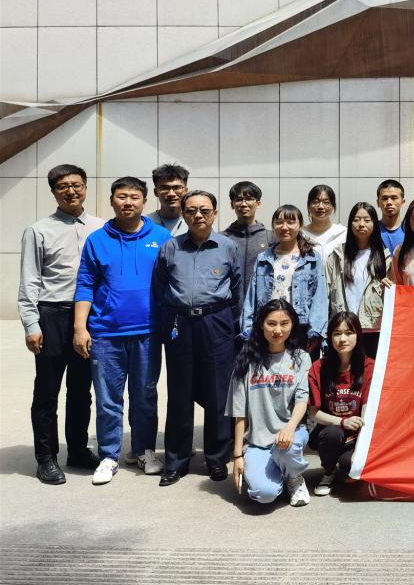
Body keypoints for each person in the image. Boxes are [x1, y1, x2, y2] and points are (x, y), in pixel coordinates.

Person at [73, 177, 172, 485]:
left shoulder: (162, 236)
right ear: (112, 201)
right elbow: (85, 284)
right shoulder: (97, 240)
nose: (128, 202)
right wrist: (80, 327)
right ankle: (109, 455)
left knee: (145, 396)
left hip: (148, 332)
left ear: (144, 202)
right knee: (107, 400)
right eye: (121, 197)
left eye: (134, 197)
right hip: (105, 333)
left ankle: (143, 450)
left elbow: (172, 282)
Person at [19, 164, 104, 484]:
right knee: (47, 391)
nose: (71, 191)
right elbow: (29, 280)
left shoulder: (100, 227)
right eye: (63, 187)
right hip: (52, 314)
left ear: (85, 187)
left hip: (89, 317)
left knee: (82, 390)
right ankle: (46, 457)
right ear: (54, 192)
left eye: (77, 185)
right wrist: (31, 324)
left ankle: (78, 450)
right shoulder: (38, 230)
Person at [153, 190, 242, 487]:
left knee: (218, 393)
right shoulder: (171, 247)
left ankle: (217, 458)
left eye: (204, 210)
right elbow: (159, 288)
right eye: (191, 210)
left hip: (217, 322)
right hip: (179, 322)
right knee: (180, 393)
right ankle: (176, 461)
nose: (198, 215)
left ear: (215, 213)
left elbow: (238, 290)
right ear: (183, 214)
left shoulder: (228, 247)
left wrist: (232, 326)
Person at [228, 299, 312, 507]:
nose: (278, 330)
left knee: (287, 448)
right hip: (258, 441)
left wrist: (290, 428)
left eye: (284, 323)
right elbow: (240, 412)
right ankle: (277, 471)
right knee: (264, 494)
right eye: (271, 323)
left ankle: (293, 477)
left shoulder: (301, 358)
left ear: (292, 325)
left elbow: (302, 399)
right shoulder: (246, 360)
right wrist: (238, 456)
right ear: (261, 325)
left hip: (291, 433)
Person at [241, 205, 328, 351]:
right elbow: (251, 296)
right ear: (273, 225)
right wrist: (247, 328)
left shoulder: (312, 258)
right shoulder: (263, 258)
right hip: (269, 328)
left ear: (300, 225)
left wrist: (316, 330)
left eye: (291, 222)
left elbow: (320, 296)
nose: (284, 227)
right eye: (279, 222)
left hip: (301, 328)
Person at [308, 312, 375, 496]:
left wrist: (359, 452)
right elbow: (313, 413)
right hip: (330, 432)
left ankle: (344, 465)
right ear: (330, 337)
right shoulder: (318, 368)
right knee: (332, 433)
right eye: (337, 333)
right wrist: (342, 422)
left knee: (349, 472)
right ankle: (329, 471)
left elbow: (367, 410)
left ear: (358, 335)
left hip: (357, 437)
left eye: (349, 333)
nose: (342, 339)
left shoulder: (369, 366)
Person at [325, 202, 392, 358]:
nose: (361, 224)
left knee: (370, 369)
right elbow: (326, 292)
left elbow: (392, 294)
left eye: (367, 220)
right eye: (356, 220)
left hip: (373, 327)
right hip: (343, 327)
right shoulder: (337, 255)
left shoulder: (385, 257)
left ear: (375, 224)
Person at [222, 181, 274, 313]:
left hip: (263, 312)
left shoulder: (271, 238)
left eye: (249, 199)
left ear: (258, 203)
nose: (243, 204)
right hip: (229, 312)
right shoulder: (222, 239)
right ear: (232, 204)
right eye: (238, 199)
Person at [303, 184, 347, 255]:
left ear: (333, 206)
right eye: (316, 202)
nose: (320, 206)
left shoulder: (342, 233)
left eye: (326, 202)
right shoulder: (301, 234)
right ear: (308, 206)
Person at [147, 163, 189, 235]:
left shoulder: (195, 222)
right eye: (165, 188)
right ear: (156, 192)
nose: (171, 194)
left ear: (185, 191)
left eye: (177, 188)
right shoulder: (144, 223)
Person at [376, 179, 406, 254]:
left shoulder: (410, 230)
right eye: (385, 198)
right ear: (378, 203)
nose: (389, 202)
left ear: (402, 202)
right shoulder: (372, 230)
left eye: (394, 198)